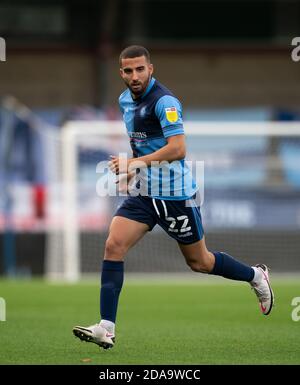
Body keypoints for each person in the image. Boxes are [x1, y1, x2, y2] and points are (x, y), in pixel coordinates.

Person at [73, 45, 274, 350]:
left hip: (175, 196)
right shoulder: (125, 100)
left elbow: (178, 149)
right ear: (121, 73)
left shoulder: (164, 102)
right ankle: (106, 327)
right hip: (144, 193)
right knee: (113, 245)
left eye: (140, 69)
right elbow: (141, 144)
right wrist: (132, 172)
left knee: (200, 262)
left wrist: (133, 164)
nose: (135, 75)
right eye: (128, 70)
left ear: (150, 69)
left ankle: (256, 276)